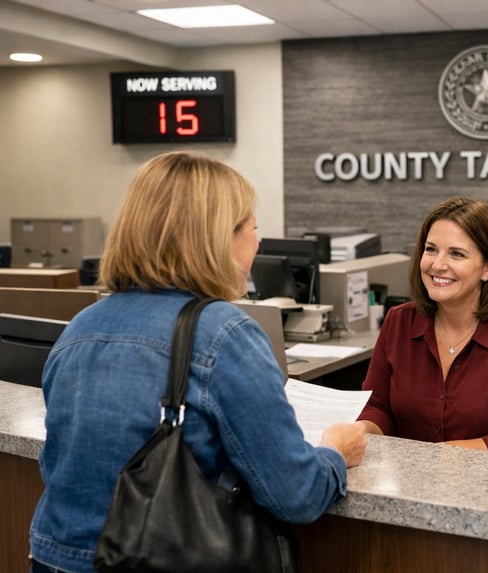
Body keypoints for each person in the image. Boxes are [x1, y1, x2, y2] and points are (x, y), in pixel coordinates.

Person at [29, 151, 367, 573]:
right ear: (220, 237)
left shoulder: (82, 325)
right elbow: (295, 493)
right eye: (252, 228)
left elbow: (62, 461)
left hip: (53, 558)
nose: (258, 242)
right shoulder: (222, 333)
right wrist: (335, 452)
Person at [358, 196, 488, 457]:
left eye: (456, 254)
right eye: (431, 249)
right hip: (411, 481)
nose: (438, 264)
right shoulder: (399, 321)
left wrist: (444, 456)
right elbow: (378, 405)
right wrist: (361, 430)